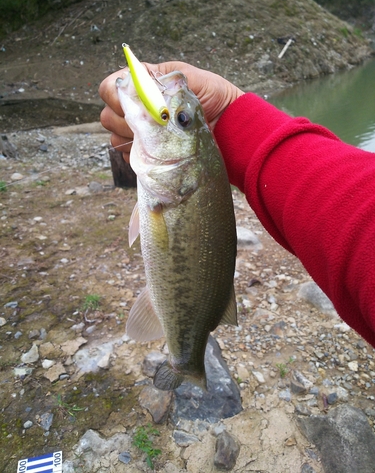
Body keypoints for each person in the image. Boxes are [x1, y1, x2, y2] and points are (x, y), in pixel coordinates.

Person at [99, 61, 375, 348]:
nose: (178, 81)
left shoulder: (175, 191)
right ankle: (187, 353)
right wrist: (231, 112)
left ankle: (185, 358)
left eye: (182, 120)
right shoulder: (178, 187)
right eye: (185, 119)